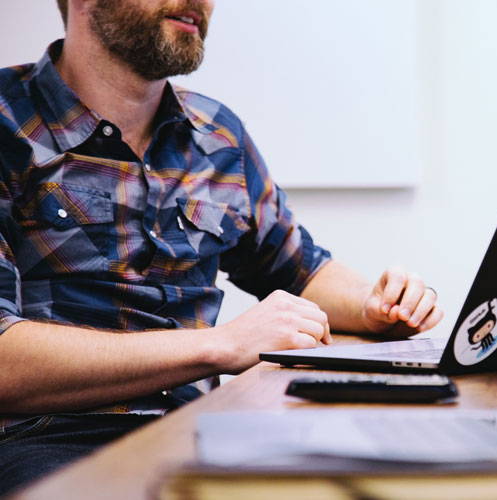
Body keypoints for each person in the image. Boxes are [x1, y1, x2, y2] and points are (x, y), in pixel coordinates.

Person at [0, 0, 443, 493]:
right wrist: (223, 345)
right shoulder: (6, 122)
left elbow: (299, 270)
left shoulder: (218, 135)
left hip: (205, 430)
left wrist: (373, 303)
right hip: (50, 440)